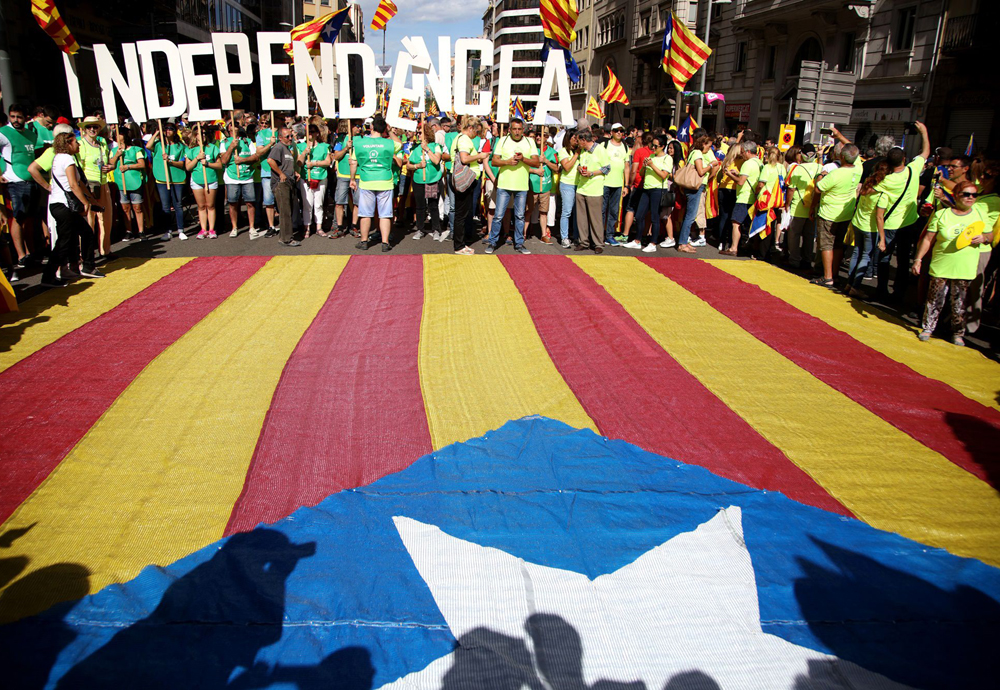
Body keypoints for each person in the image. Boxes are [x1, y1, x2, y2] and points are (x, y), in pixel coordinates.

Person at [912, 180, 993, 346]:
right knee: (934, 300)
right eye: (966, 194)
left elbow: (990, 235)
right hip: (941, 264)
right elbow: (928, 239)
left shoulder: (980, 214)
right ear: (956, 195)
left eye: (974, 195)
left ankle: (957, 333)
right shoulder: (942, 214)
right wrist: (918, 259)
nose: (971, 198)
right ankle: (927, 328)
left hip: (965, 267)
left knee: (960, 304)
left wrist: (984, 238)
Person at [873, 122, 930, 302]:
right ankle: (899, 292)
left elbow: (868, 190)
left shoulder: (886, 180)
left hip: (890, 224)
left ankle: (881, 290)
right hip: (909, 222)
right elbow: (926, 152)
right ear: (904, 159)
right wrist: (924, 132)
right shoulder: (913, 170)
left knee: (884, 257)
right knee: (904, 259)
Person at [43, 132, 103, 286]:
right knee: (64, 241)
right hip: (64, 206)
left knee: (83, 234)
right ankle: (48, 277)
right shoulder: (67, 159)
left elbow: (79, 183)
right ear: (67, 144)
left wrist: (91, 199)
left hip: (58, 205)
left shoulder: (58, 158)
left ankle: (86, 266)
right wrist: (85, 203)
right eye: (75, 142)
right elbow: (73, 184)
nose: (78, 144)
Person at [811, 144, 862, 288]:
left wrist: (821, 176)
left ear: (842, 157)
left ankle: (827, 277)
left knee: (826, 245)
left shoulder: (836, 174)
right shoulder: (858, 169)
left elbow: (818, 188)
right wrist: (839, 135)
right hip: (845, 214)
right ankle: (834, 274)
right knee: (838, 245)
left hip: (829, 213)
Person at [486, 118, 538, 254]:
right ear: (510, 129)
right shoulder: (503, 140)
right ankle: (492, 242)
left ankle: (519, 243)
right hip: (504, 184)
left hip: (522, 185)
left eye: (519, 129)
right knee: (498, 215)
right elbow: (494, 161)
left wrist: (523, 159)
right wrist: (507, 162)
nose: (517, 132)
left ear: (523, 130)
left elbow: (536, 162)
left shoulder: (529, 141)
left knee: (520, 216)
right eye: (514, 129)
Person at [350, 115, 399, 252]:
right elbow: (399, 143)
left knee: (365, 213)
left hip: (367, 180)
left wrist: (352, 179)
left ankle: (364, 241)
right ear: (384, 128)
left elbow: (353, 163)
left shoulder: (359, 143)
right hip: (385, 181)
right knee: (385, 214)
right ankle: (385, 242)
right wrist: (390, 131)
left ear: (371, 127)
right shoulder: (389, 143)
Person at [1, 104, 40, 267]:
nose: (16, 120)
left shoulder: (31, 135)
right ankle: (21, 256)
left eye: (19, 117)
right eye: (13, 116)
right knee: (18, 217)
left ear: (26, 118)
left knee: (29, 219)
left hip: (32, 181)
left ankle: (31, 253)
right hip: (14, 182)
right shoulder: (3, 133)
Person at [76, 115, 118, 259]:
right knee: (89, 222)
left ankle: (105, 250)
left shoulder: (102, 143)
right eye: (89, 127)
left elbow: (108, 162)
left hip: (104, 183)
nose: (92, 129)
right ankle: (86, 254)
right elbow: (78, 168)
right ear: (84, 129)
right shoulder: (81, 144)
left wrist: (111, 166)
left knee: (106, 219)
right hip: (89, 186)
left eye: (95, 126)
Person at [846, 161, 889, 296]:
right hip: (869, 228)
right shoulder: (882, 193)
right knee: (865, 256)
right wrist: (882, 238)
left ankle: (849, 283)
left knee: (856, 253)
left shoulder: (866, 184)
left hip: (857, 222)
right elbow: (879, 217)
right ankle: (855, 286)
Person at [449, 115, 490, 255]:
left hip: (463, 178)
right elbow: (464, 158)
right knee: (461, 214)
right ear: (471, 128)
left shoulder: (460, 138)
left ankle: (460, 244)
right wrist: (480, 156)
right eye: (477, 131)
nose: (477, 135)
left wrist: (476, 157)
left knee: (461, 213)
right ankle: (459, 246)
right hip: (464, 180)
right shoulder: (464, 139)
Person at [676, 135, 719, 254]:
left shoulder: (694, 152)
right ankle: (682, 243)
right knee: (690, 216)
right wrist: (711, 165)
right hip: (695, 187)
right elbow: (701, 171)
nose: (709, 149)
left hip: (695, 187)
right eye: (709, 146)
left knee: (690, 215)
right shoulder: (698, 153)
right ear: (703, 144)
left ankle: (684, 242)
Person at [572, 129, 611, 254]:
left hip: (595, 190)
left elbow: (607, 168)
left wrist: (592, 173)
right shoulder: (583, 151)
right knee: (581, 218)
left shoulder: (600, 150)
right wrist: (579, 168)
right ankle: (583, 242)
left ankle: (598, 243)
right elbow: (580, 163)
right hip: (581, 188)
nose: (577, 143)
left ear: (584, 140)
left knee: (595, 219)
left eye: (578, 140)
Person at [148, 121, 188, 241]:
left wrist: (170, 161)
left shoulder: (181, 146)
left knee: (178, 205)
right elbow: (148, 146)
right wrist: (157, 133)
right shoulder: (158, 145)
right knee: (165, 206)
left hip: (177, 179)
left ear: (175, 132)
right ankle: (168, 231)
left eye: (170, 129)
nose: (168, 131)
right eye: (166, 129)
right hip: (162, 179)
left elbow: (182, 164)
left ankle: (181, 230)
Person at [632, 133, 672, 252]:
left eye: (655, 146)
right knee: (639, 215)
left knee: (655, 217)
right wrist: (644, 166)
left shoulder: (667, 158)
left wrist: (652, 165)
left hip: (658, 189)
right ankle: (637, 240)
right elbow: (642, 173)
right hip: (647, 188)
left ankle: (653, 243)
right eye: (652, 145)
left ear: (662, 146)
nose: (653, 148)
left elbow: (664, 175)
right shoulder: (651, 156)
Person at [721, 141, 762, 256]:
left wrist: (729, 174)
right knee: (749, 225)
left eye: (743, 152)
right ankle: (748, 247)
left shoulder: (747, 164)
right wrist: (738, 173)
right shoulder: (759, 162)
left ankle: (733, 248)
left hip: (744, 197)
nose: (742, 155)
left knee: (736, 223)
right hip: (753, 197)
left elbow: (740, 182)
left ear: (748, 152)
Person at [784, 143, 820, 268]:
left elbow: (791, 189)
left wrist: (787, 204)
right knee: (809, 236)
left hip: (798, 206)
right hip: (813, 206)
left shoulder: (797, 169)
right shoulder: (820, 168)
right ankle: (807, 259)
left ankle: (794, 259)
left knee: (794, 235)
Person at [219, 123, 258, 239]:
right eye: (231, 126)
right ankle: (234, 227)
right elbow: (223, 160)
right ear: (228, 129)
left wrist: (243, 160)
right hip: (232, 177)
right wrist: (231, 147)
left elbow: (255, 157)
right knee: (233, 203)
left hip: (247, 176)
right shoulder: (224, 143)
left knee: (250, 202)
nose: (234, 127)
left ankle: (252, 227)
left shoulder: (247, 141)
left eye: (236, 125)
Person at [407, 123, 445, 242]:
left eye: (420, 133)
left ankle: (436, 229)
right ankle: (420, 229)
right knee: (420, 206)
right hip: (419, 181)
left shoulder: (436, 146)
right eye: (417, 133)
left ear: (426, 134)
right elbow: (408, 165)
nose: (418, 135)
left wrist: (427, 149)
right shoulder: (415, 149)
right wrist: (417, 166)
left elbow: (436, 160)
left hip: (432, 180)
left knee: (433, 205)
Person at [185, 127, 223, 239]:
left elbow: (219, 165)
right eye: (200, 133)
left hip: (210, 180)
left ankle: (211, 229)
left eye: (204, 133)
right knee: (201, 206)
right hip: (197, 181)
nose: (202, 135)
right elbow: (188, 167)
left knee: (210, 205)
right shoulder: (191, 151)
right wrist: (197, 158)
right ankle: (203, 229)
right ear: (195, 136)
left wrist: (208, 164)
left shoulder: (213, 148)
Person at [112, 124, 147, 240]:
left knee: (137, 207)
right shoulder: (113, 151)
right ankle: (129, 230)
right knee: (125, 208)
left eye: (120, 134)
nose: (117, 136)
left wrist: (128, 167)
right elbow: (111, 164)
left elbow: (142, 164)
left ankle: (141, 231)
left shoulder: (136, 150)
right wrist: (117, 155)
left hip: (134, 182)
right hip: (121, 183)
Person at [267, 127, 301, 247]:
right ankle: (286, 239)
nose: (290, 138)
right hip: (281, 184)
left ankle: (285, 236)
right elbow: (270, 160)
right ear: (280, 138)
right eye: (287, 137)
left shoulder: (287, 149)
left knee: (288, 210)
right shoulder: (278, 147)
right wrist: (280, 174)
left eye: (291, 136)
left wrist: (294, 173)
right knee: (285, 211)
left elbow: (285, 165)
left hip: (289, 182)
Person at [296, 124, 332, 239]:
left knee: (319, 204)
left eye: (312, 132)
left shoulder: (324, 146)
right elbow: (299, 163)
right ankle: (307, 227)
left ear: (317, 133)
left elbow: (328, 162)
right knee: (307, 204)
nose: (310, 134)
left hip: (320, 177)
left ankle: (319, 227)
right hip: (306, 178)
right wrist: (304, 153)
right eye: (309, 132)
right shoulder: (301, 146)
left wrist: (314, 163)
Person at [527, 129, 559, 244]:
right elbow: (525, 166)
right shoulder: (531, 150)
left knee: (544, 211)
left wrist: (546, 161)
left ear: (547, 137)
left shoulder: (552, 152)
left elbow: (556, 168)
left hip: (545, 186)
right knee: (528, 210)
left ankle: (544, 235)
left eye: (542, 135)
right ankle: (523, 234)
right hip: (532, 185)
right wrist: (535, 170)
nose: (538, 137)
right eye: (537, 135)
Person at [602, 123, 629, 247]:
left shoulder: (625, 146)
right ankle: (599, 235)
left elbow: (627, 166)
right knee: (601, 211)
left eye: (621, 131)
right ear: (611, 132)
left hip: (618, 184)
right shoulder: (604, 145)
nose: (619, 132)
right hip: (604, 182)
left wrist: (626, 185)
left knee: (614, 211)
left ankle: (609, 235)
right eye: (616, 130)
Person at [332, 121, 359, 238]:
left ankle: (354, 226)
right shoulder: (340, 139)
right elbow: (336, 156)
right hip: (343, 174)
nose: (359, 128)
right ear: (350, 126)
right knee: (339, 202)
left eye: (360, 126)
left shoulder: (362, 140)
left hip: (357, 175)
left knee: (357, 202)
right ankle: (340, 227)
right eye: (356, 126)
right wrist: (346, 148)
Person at [714, 142, 741, 253]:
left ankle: (721, 241)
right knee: (731, 218)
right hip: (733, 190)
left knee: (723, 216)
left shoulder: (726, 160)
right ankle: (729, 241)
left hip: (722, 188)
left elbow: (719, 176)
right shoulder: (741, 162)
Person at [254, 113, 278, 237]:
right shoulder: (261, 134)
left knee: (283, 200)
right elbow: (259, 152)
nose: (264, 125)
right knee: (268, 201)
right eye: (262, 123)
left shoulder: (282, 133)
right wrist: (270, 144)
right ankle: (271, 226)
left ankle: (286, 224)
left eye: (266, 123)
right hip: (267, 171)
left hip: (281, 171)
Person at [558, 130, 580, 249]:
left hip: (580, 184)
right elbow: (566, 167)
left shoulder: (581, 151)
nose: (577, 140)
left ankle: (576, 236)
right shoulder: (563, 151)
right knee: (567, 212)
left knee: (578, 212)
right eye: (574, 138)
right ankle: (564, 237)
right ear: (569, 138)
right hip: (567, 184)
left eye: (578, 138)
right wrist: (576, 155)